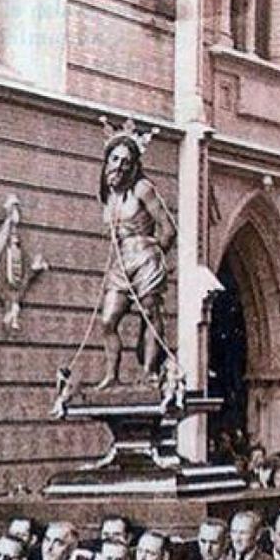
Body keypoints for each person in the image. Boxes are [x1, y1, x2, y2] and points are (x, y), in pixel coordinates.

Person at [94, 118, 176, 388]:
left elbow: (168, 228)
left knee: (150, 315)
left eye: (125, 162)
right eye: (114, 159)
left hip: (145, 257)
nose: (118, 165)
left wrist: (156, 256)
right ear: (107, 161)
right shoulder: (110, 195)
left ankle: (150, 373)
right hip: (121, 263)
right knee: (108, 320)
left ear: (133, 166)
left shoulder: (143, 189)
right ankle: (111, 376)